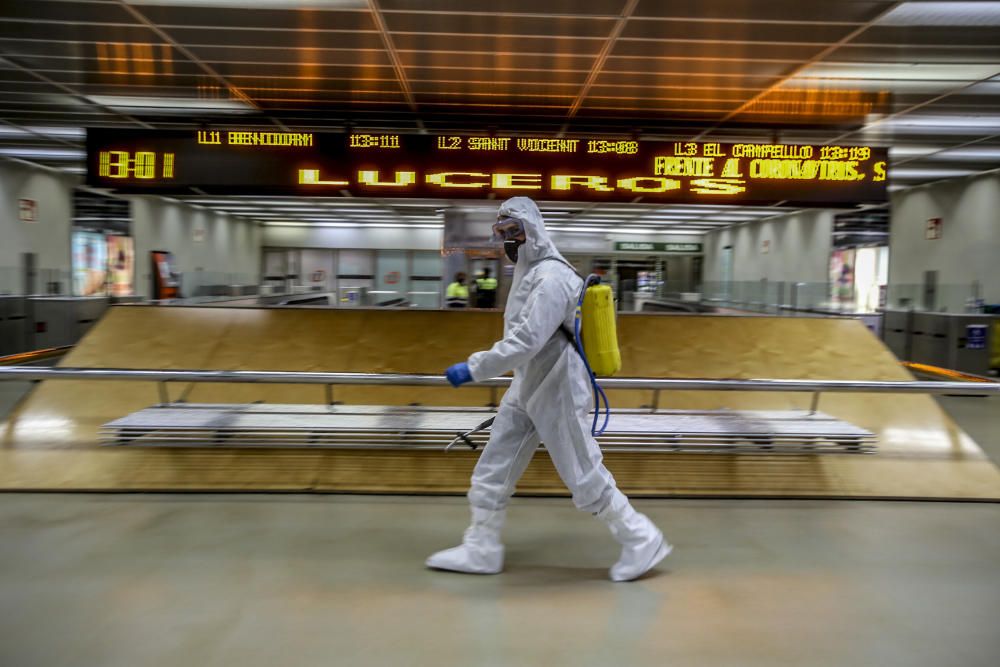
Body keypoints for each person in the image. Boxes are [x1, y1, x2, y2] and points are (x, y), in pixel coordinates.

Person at [428, 196, 671, 582]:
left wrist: (474, 368)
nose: (509, 240)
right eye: (503, 233)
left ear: (534, 231)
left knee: (582, 471)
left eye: (515, 231)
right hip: (527, 385)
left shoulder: (552, 278)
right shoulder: (531, 274)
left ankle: (642, 538)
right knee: (493, 467)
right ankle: (482, 547)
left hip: (557, 386)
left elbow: (527, 340)